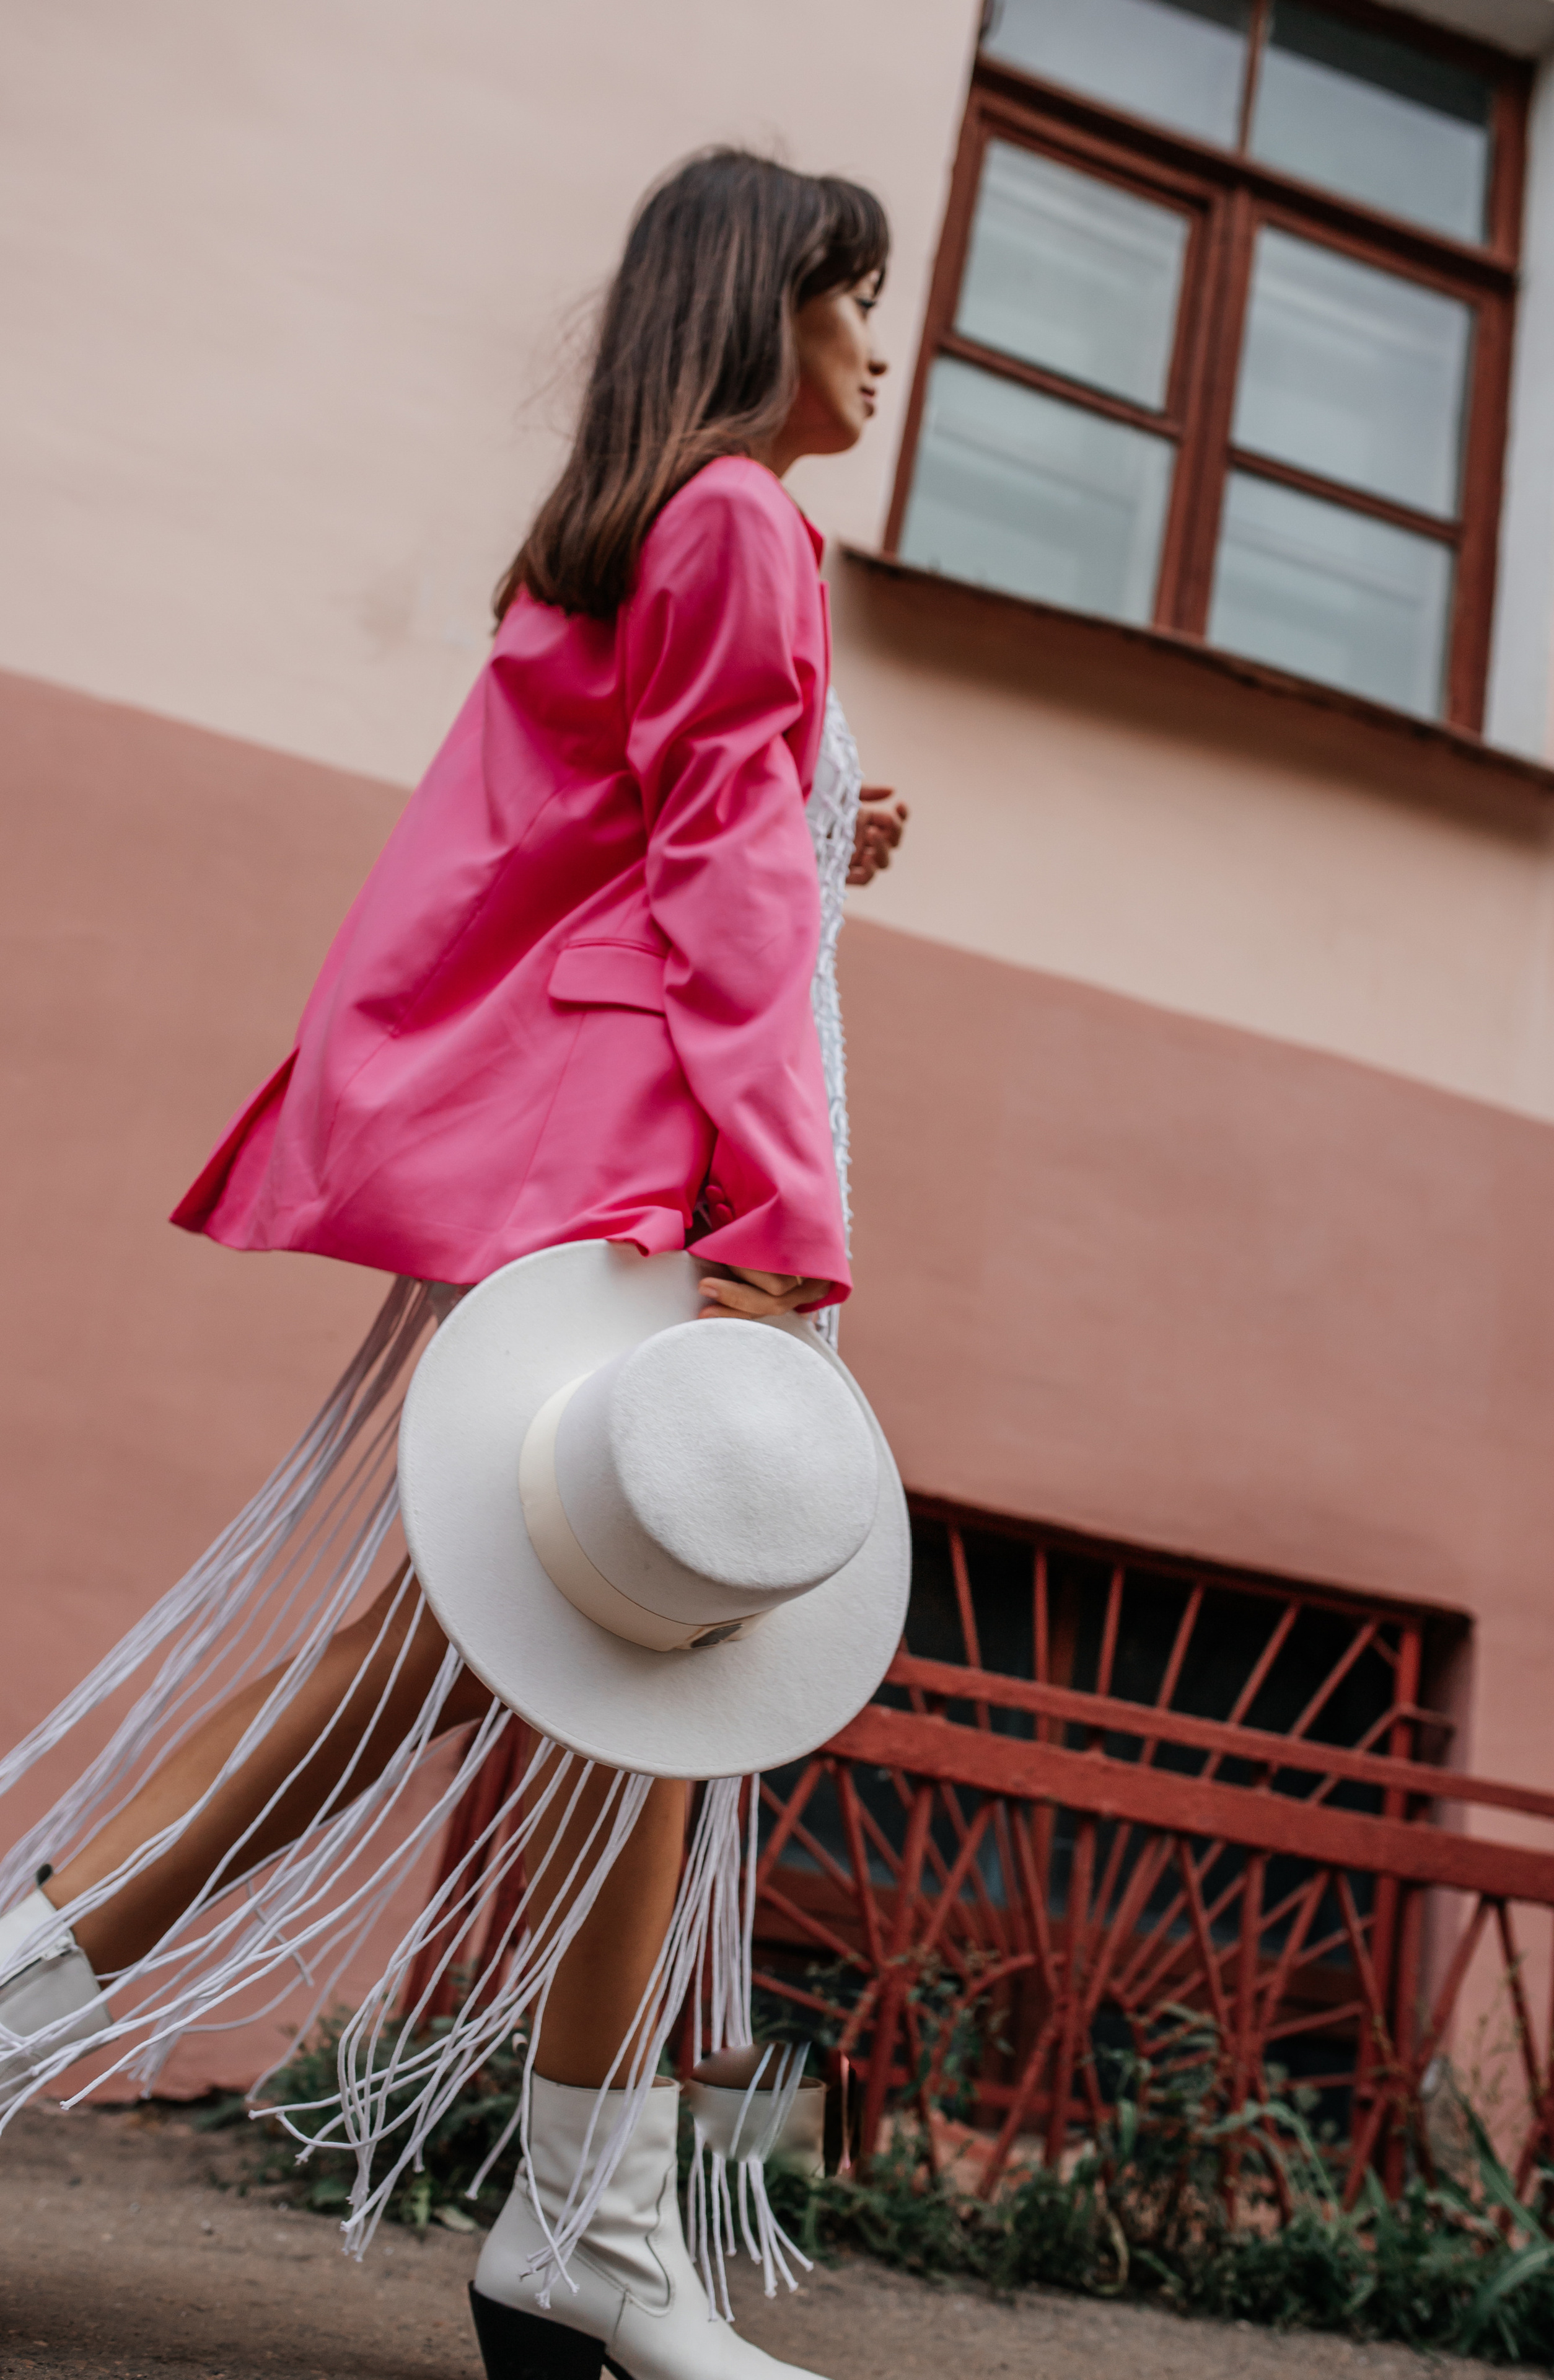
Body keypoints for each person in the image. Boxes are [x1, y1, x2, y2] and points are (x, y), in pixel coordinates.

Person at [0, 148, 905, 2380]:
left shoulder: (661, 525)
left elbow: (675, 836)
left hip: (597, 1153)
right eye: (858, 300)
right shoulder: (744, 520)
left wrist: (825, 823)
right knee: (485, 1652)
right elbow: (715, 888)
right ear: (763, 305)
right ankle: (550, 2218)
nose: (883, 346)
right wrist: (773, 1229)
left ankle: (591, 2232)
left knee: (649, 1679)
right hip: (638, 1178)